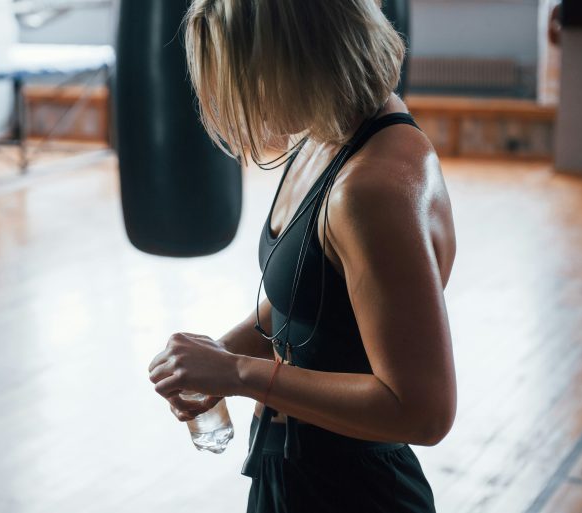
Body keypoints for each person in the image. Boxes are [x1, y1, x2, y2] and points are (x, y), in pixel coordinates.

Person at [148, 1, 457, 511]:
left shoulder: (370, 187)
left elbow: (422, 412)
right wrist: (217, 356)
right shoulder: (328, 133)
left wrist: (236, 374)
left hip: (353, 492)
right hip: (294, 472)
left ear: (295, 58)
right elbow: (308, 298)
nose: (245, 103)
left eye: (247, 79)